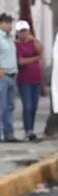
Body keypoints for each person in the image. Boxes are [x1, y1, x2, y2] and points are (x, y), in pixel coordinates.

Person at [14, 20, 44, 141]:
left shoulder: (33, 42)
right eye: (21, 32)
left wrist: (35, 40)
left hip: (36, 78)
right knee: (27, 106)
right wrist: (35, 58)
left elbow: (40, 53)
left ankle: (32, 129)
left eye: (25, 31)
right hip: (24, 79)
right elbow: (20, 61)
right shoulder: (16, 45)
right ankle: (27, 130)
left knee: (35, 106)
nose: (23, 34)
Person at [0, 13, 16, 142]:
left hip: (12, 75)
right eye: (6, 23)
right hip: (2, 75)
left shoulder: (10, 38)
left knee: (10, 106)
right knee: (1, 106)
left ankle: (9, 133)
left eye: (10, 23)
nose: (9, 25)